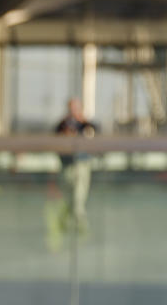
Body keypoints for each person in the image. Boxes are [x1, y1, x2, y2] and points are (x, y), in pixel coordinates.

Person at [54, 98, 96, 234]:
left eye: (76, 108)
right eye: (72, 108)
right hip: (67, 165)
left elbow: (94, 133)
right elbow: (55, 138)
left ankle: (82, 228)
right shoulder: (62, 124)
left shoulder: (86, 124)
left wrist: (83, 122)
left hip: (82, 164)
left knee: (78, 198)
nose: (74, 111)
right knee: (69, 198)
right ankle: (64, 222)